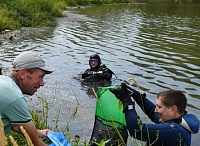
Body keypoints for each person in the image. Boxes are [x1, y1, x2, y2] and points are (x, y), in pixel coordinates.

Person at [109, 83, 199, 146]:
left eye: (159, 107)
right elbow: (152, 112)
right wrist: (135, 94)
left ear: (173, 109)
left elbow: (137, 131)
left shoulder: (174, 131)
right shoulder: (179, 120)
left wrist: (127, 103)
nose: (156, 110)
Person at [0, 51, 55, 146]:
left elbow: (11, 123)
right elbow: (36, 144)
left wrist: (38, 133)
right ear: (23, 73)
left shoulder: (4, 82)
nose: (42, 83)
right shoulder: (14, 97)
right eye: (40, 77)